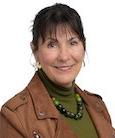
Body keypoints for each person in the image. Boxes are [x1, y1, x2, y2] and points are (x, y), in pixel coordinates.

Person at [0, 3, 115, 138]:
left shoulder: (98, 107)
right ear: (35, 51)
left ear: (84, 47)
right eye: (52, 45)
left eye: (73, 43)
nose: (64, 56)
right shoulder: (15, 116)